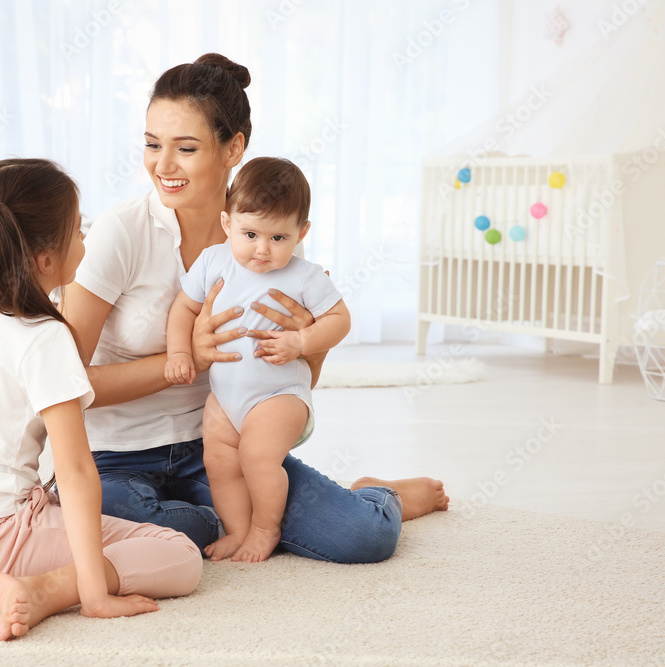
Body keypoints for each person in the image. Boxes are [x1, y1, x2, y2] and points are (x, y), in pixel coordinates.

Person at [62, 53, 449, 565]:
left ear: (233, 148)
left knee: (363, 537)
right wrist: (186, 361)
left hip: (222, 444)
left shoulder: (269, 237)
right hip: (118, 460)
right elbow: (64, 381)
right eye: (153, 145)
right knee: (114, 521)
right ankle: (206, 519)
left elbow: (301, 371)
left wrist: (306, 342)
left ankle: (379, 494)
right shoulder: (122, 232)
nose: (163, 165)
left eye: (186, 148)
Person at [0, 158, 202, 642]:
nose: (86, 239)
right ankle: (50, 589)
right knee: (180, 555)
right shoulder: (43, 337)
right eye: (79, 230)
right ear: (44, 259)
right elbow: (78, 471)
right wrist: (95, 594)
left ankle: (32, 579)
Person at [165, 157, 350, 562]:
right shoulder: (214, 261)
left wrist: (301, 341)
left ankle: (266, 529)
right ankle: (239, 530)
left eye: (279, 238)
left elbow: (340, 320)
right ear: (228, 224)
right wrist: (180, 351)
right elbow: (183, 308)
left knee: (256, 457)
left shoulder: (305, 276)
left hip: (279, 395)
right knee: (219, 460)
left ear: (301, 233)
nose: (262, 250)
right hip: (225, 397)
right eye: (250, 233)